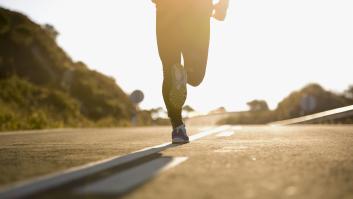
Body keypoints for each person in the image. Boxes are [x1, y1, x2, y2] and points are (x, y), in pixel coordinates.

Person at [153, 0, 229, 143]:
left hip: (176, 11)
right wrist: (223, 5)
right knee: (185, 74)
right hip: (192, 12)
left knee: (175, 71)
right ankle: (177, 123)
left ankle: (178, 128)